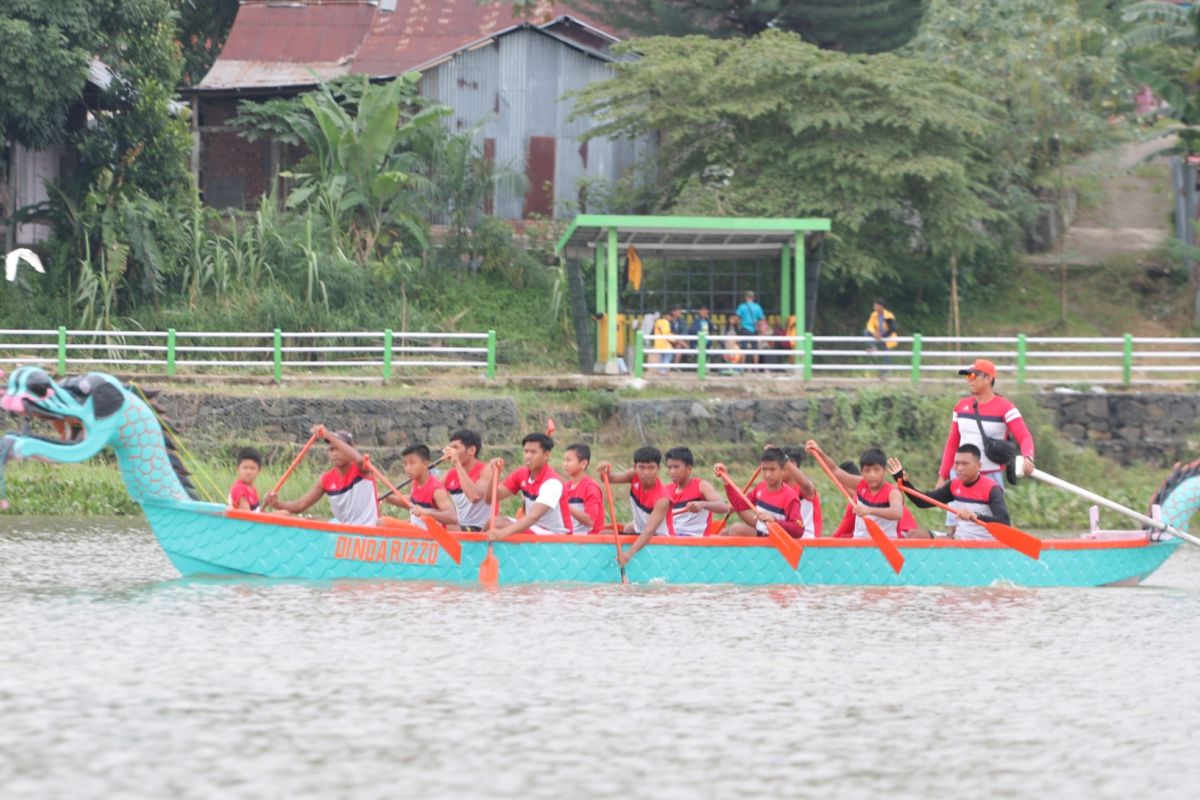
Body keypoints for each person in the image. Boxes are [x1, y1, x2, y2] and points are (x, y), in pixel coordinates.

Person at [939, 358, 1036, 489]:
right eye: (967, 376)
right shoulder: (961, 406)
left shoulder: (1006, 408)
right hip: (959, 478)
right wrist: (943, 476)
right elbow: (952, 443)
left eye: (973, 375)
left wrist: (1028, 457)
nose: (969, 380)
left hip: (990, 479)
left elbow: (1024, 436)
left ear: (988, 378)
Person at [889, 445, 1010, 540]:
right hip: (959, 540)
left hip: (984, 544)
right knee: (914, 535)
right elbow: (922, 502)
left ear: (978, 466)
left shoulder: (991, 488)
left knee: (937, 544)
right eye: (957, 463)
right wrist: (904, 482)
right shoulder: (954, 485)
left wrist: (976, 517)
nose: (959, 468)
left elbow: (1004, 522)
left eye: (965, 464)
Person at [265, 425, 378, 527]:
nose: (334, 454)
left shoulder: (363, 469)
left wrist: (329, 436)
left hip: (369, 532)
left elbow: (359, 459)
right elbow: (300, 505)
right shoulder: (326, 479)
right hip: (344, 536)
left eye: (338, 449)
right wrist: (276, 504)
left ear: (351, 449)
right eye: (331, 449)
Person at [806, 441, 905, 539]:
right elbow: (834, 470)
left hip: (887, 544)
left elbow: (897, 513)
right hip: (860, 543)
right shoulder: (861, 484)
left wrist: (869, 510)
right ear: (861, 472)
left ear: (885, 471)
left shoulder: (893, 492)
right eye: (867, 470)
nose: (872, 475)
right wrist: (819, 452)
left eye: (876, 470)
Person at [489, 433, 573, 538]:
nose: (528, 456)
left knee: (500, 525)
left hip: (556, 535)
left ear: (546, 455)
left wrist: (502, 533)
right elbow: (490, 498)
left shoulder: (552, 483)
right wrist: (494, 474)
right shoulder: (521, 473)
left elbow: (534, 517)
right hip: (534, 527)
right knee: (491, 522)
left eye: (533, 452)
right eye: (526, 451)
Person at [718, 447, 803, 537]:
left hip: (777, 538)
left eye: (772, 469)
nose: (767, 474)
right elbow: (739, 504)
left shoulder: (790, 497)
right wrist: (726, 482)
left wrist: (774, 521)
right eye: (764, 469)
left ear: (782, 470)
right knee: (723, 533)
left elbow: (798, 530)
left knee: (737, 529)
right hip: (761, 532)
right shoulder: (760, 487)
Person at [598, 446, 673, 538]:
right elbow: (608, 478)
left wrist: (629, 553)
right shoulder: (634, 475)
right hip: (642, 532)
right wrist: (604, 470)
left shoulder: (662, 498)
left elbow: (648, 533)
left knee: (607, 534)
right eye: (641, 467)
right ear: (635, 467)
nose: (646, 472)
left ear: (658, 468)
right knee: (620, 530)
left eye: (651, 468)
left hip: (659, 538)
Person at [385, 443, 458, 530]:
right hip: (416, 529)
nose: (407, 468)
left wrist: (425, 512)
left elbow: (453, 517)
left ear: (425, 464)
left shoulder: (436, 489)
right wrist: (387, 498)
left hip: (429, 536)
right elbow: (412, 501)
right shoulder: (415, 482)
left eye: (412, 463)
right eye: (405, 464)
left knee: (382, 522)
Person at [664, 447, 728, 537]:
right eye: (669, 467)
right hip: (671, 539)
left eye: (676, 467)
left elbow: (724, 507)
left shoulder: (701, 486)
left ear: (689, 468)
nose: (672, 471)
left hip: (695, 540)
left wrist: (703, 504)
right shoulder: (666, 490)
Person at [442, 429, 494, 532]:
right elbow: (431, 494)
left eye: (455, 448)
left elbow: (474, 496)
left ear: (471, 450)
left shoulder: (486, 469)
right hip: (460, 527)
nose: (451, 452)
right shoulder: (450, 474)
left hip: (481, 528)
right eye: (450, 448)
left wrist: (457, 463)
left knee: (441, 527)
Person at [563, 443, 604, 534]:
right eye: (564, 460)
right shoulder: (566, 487)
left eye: (569, 460)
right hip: (570, 538)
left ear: (583, 464)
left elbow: (589, 521)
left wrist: (564, 504)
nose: (565, 464)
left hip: (589, 542)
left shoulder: (591, 488)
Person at [781, 447, 822, 538]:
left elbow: (806, 485)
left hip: (807, 538)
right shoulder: (778, 487)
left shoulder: (804, 487)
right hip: (787, 536)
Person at [736, 290, 764, 368]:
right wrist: (759, 327)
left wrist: (740, 325)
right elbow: (762, 319)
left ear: (745, 298)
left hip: (744, 329)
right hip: (754, 330)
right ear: (753, 298)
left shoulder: (742, 307)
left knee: (743, 349)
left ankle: (742, 368)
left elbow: (737, 318)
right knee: (755, 350)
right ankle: (755, 369)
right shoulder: (757, 307)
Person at [228, 447, 262, 512]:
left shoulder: (253, 488)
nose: (248, 472)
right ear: (238, 469)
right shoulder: (239, 489)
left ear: (259, 471)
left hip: (254, 519)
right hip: (244, 521)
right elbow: (247, 516)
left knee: (284, 513)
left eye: (252, 468)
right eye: (245, 468)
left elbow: (257, 511)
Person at [652, 309, 677, 376]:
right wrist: (674, 340)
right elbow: (666, 333)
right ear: (666, 316)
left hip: (659, 343)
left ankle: (661, 370)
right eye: (670, 316)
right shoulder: (666, 322)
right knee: (668, 356)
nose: (671, 318)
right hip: (666, 343)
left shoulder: (657, 322)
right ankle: (663, 370)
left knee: (662, 357)